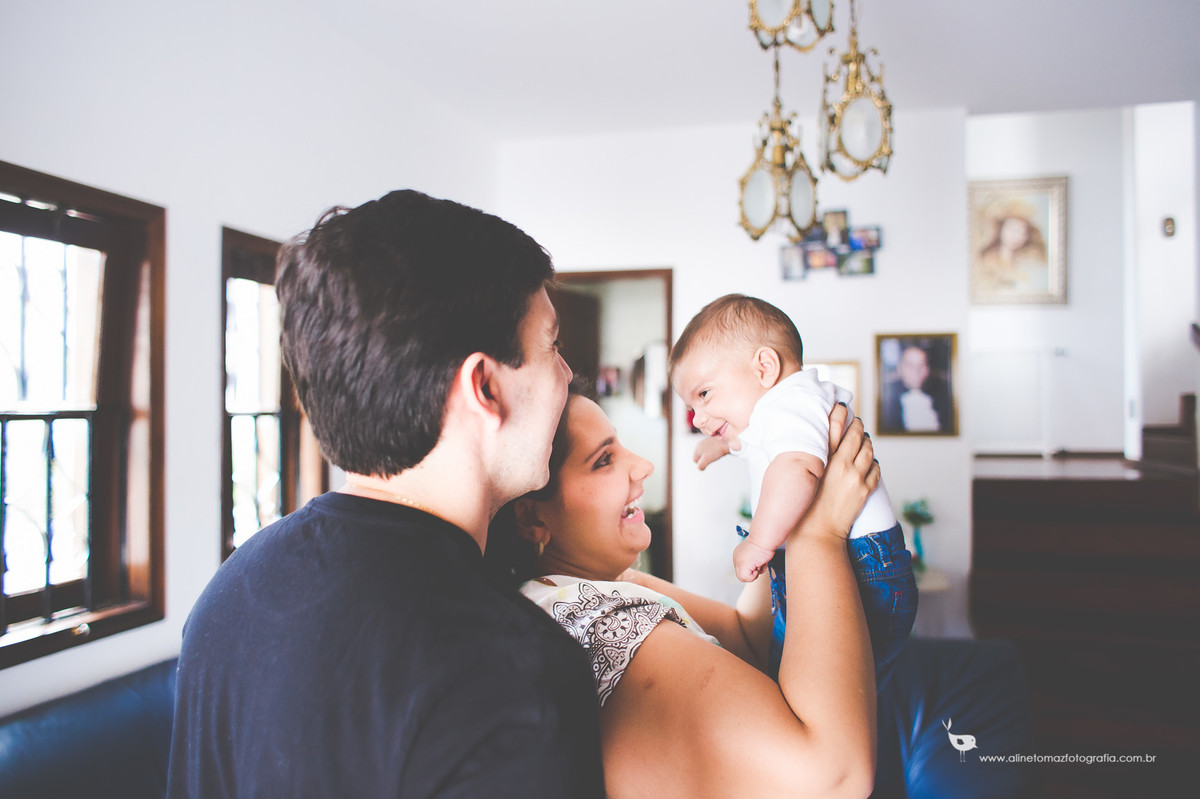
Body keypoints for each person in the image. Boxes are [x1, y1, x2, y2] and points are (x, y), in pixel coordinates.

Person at [167, 191, 605, 797]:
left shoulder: (229, 594)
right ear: (484, 386)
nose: (565, 375)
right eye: (551, 346)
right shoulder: (514, 670)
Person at [486, 382, 884, 798]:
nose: (642, 466)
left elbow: (748, 637)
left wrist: (786, 494)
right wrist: (818, 535)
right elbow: (835, 776)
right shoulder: (596, 618)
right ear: (532, 518)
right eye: (603, 460)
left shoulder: (605, 584)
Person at [670, 294, 916, 677]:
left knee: (815, 673)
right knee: (819, 671)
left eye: (703, 395)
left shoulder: (791, 401)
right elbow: (755, 444)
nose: (698, 417)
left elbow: (797, 470)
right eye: (692, 408)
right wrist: (722, 444)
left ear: (765, 368)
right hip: (851, 564)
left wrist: (758, 542)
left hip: (863, 568)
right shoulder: (778, 413)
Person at [879, 343, 953, 433]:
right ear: (900, 368)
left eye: (922, 365)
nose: (916, 371)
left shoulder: (944, 399)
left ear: (928, 369)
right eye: (910, 365)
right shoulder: (888, 403)